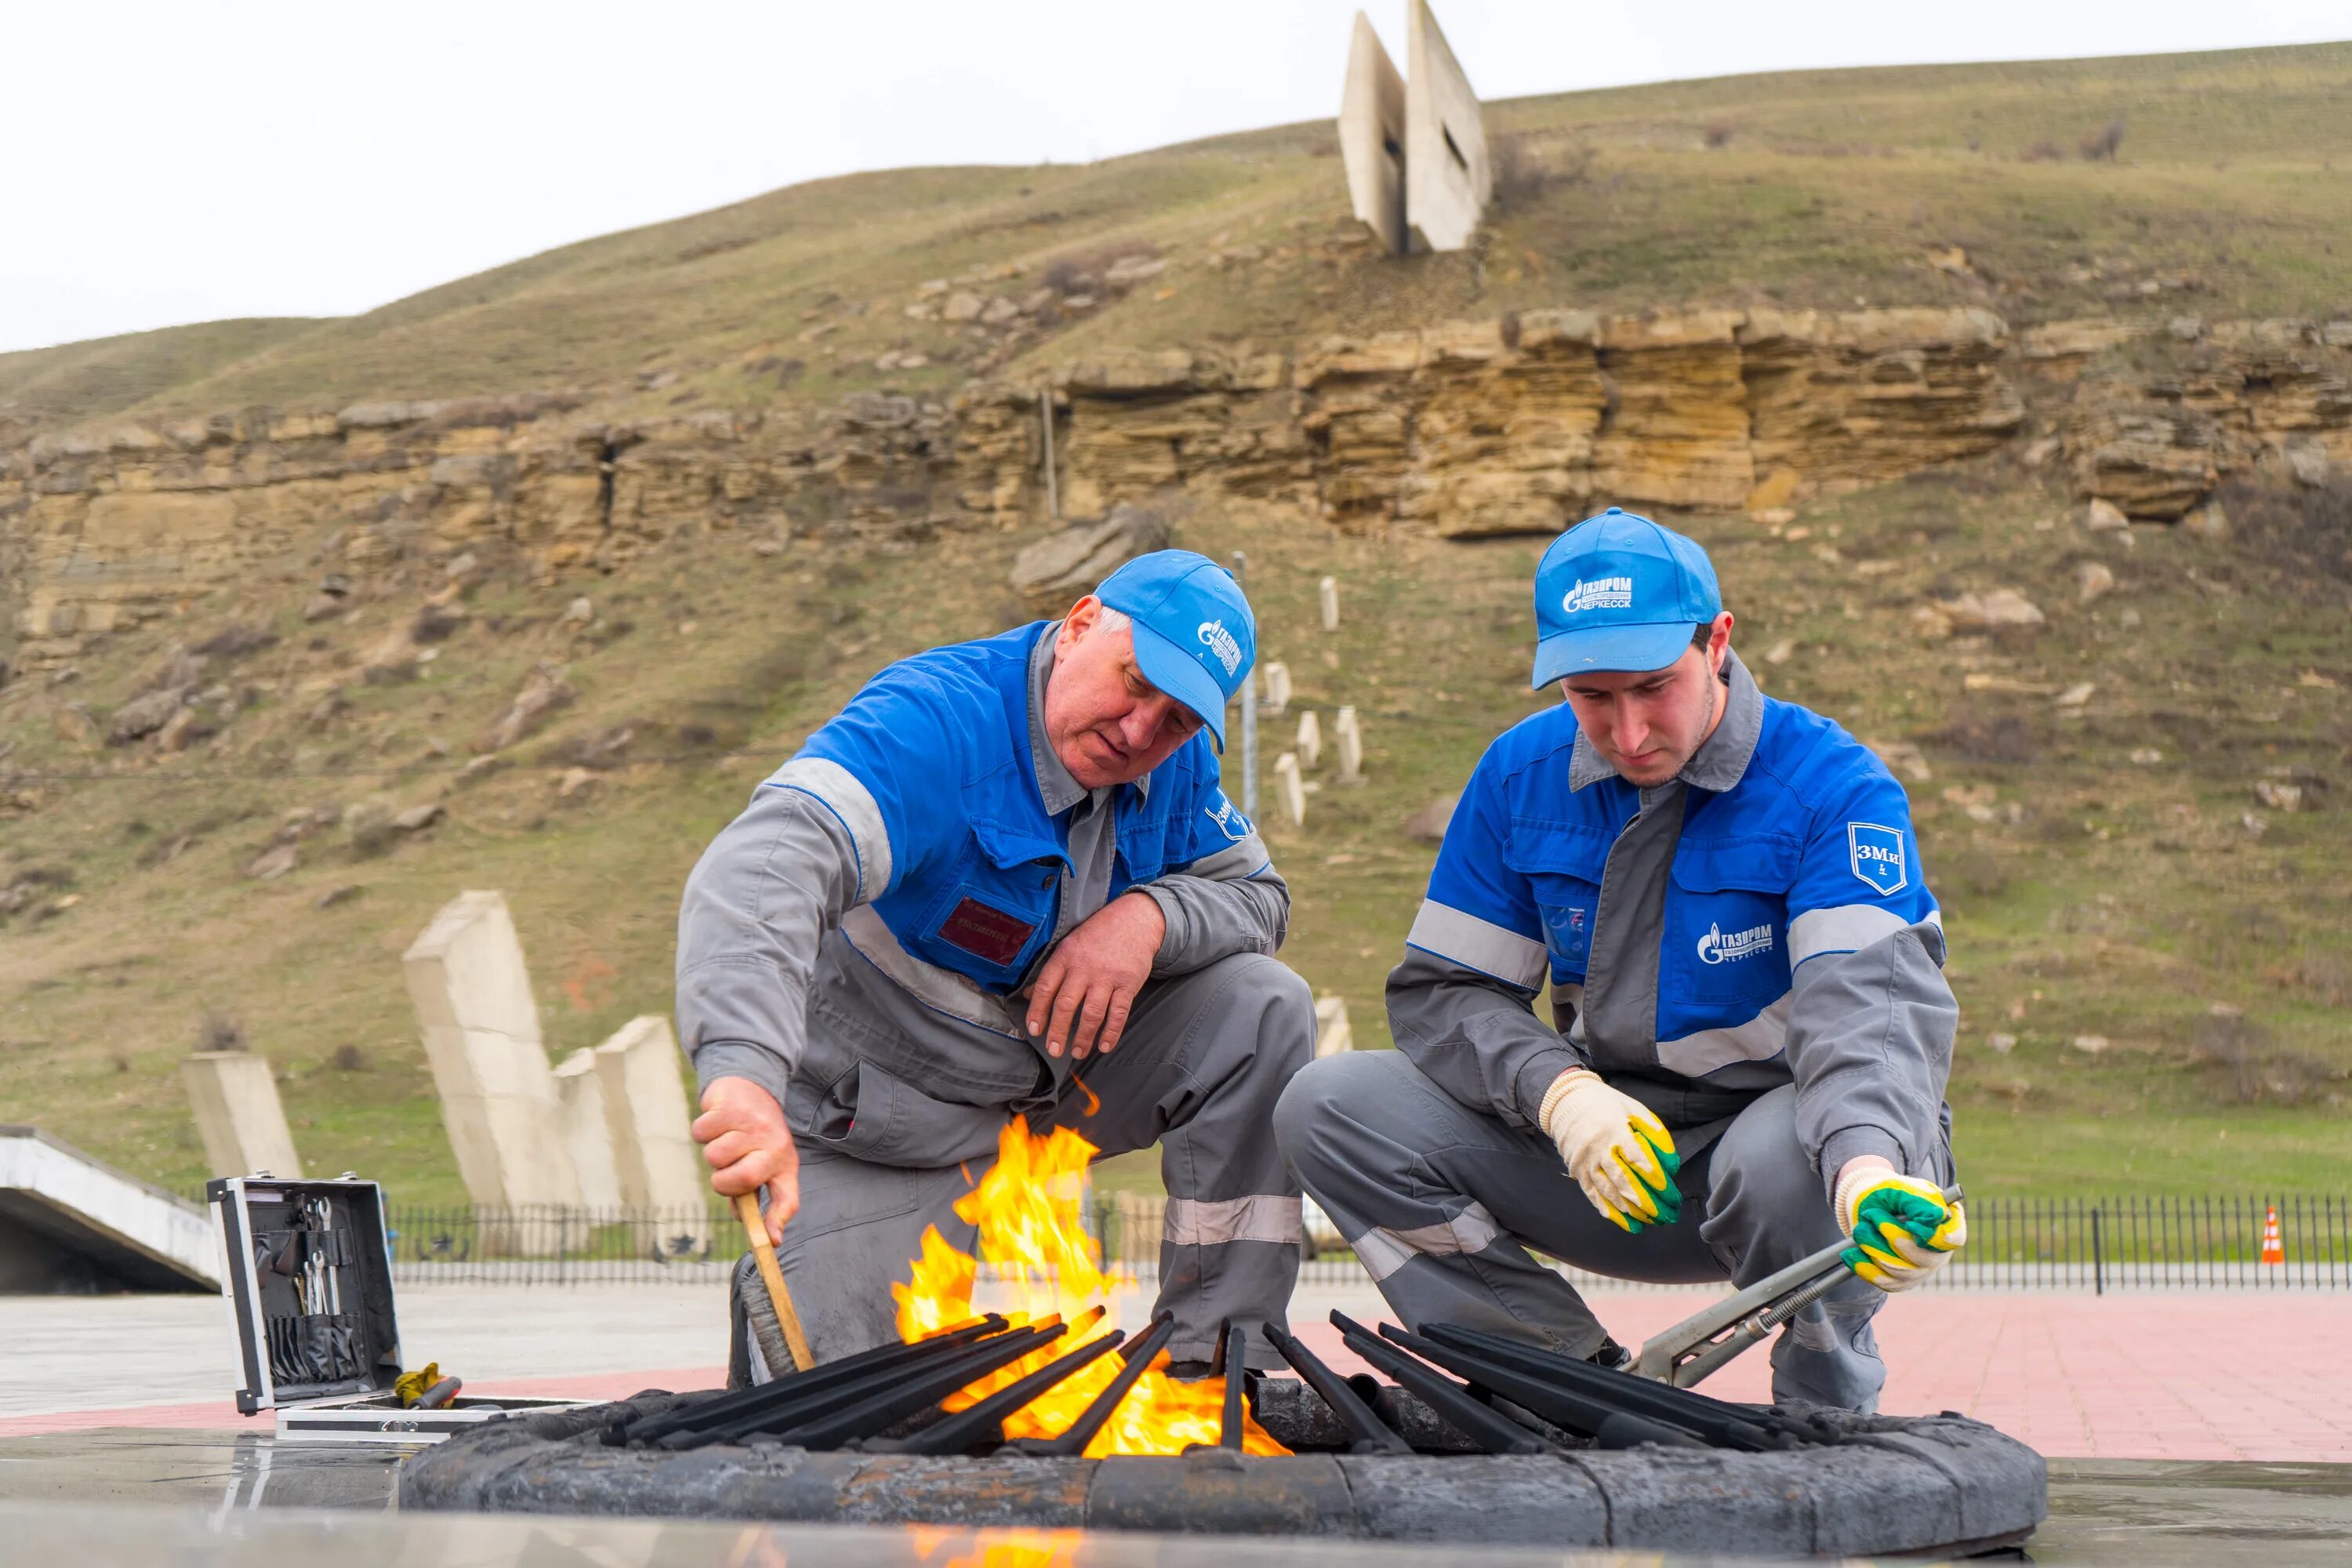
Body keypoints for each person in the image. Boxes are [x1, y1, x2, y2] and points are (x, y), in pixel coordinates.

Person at [1274, 508, 1965, 1412]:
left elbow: (1867, 1015)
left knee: (1785, 1160)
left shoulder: (1833, 787)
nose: (1629, 731)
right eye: (1592, 697)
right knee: (1329, 1105)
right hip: (1607, 1164)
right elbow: (1448, 994)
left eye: (1653, 687)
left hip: (1790, 1172)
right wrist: (1562, 1097)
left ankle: (1822, 1413)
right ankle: (1562, 1382)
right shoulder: (1517, 777)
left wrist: (1868, 1167)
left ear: (1717, 641)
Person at [677, 549, 1312, 1381]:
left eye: (1179, 718)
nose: (1139, 732)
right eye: (1133, 682)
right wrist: (744, 1074)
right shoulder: (936, 723)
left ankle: (1216, 1359)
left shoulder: (1177, 761)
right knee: (838, 1407)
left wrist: (1150, 917)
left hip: (1052, 1086)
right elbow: (765, 865)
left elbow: (1262, 897)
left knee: (1263, 1005)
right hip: (885, 1125)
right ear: (1081, 622)